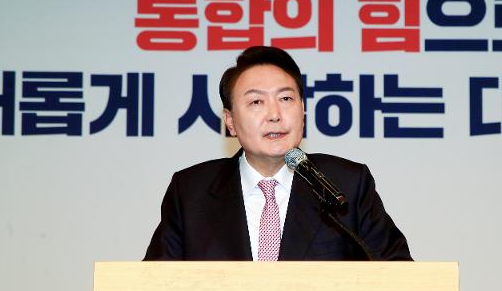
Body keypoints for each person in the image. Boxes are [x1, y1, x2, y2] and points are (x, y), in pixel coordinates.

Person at [144, 46, 411, 261]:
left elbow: (401, 277)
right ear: (230, 121)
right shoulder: (191, 192)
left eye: (286, 99)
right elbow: (152, 288)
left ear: (303, 111)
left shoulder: (346, 185)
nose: (275, 115)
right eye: (256, 102)